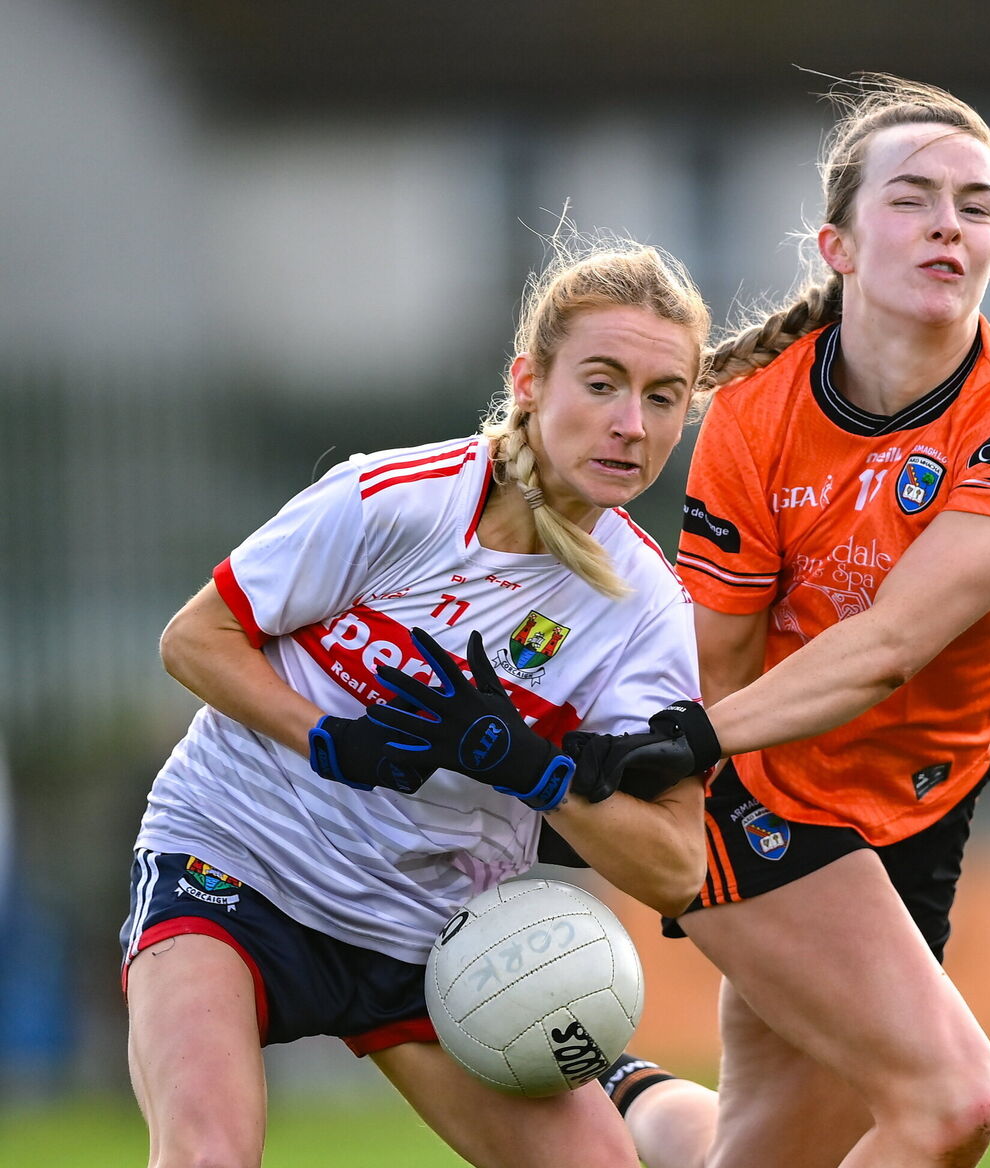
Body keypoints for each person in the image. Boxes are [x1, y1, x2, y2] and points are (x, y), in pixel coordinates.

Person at [399, 74, 990, 1168]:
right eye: (912, 197)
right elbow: (709, 660)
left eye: (978, 202)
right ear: (839, 245)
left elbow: (897, 642)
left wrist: (699, 733)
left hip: (914, 817)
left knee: (772, 1154)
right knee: (952, 1105)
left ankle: (632, 1100)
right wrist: (650, 774)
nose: (950, 222)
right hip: (757, 794)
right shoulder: (760, 412)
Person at [118, 236, 717, 1168]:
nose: (632, 423)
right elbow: (195, 640)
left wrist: (539, 770)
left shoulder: (645, 614)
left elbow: (678, 868)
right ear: (529, 382)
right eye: (602, 383)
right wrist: (332, 741)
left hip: (430, 935)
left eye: (663, 396)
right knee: (207, 1156)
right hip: (236, 864)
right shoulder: (393, 500)